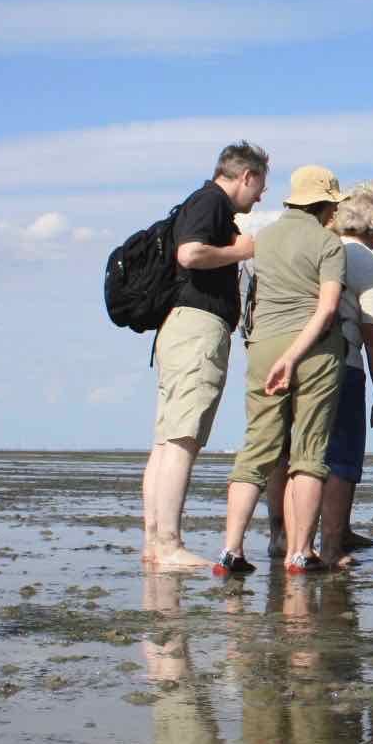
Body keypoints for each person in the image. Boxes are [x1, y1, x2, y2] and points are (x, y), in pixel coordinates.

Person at [214, 165, 348, 576]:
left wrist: (278, 354)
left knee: (257, 449)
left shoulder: (264, 239)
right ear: (324, 205)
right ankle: (300, 552)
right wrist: (295, 355)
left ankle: (231, 550)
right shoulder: (329, 244)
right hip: (314, 350)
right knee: (308, 452)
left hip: (264, 345)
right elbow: (326, 309)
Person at [143, 142, 268, 572]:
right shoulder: (211, 201)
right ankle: (168, 544)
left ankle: (154, 541)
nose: (260, 197)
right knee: (183, 437)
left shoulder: (203, 203)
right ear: (246, 177)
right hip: (197, 327)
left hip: (179, 326)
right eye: (260, 187)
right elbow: (190, 253)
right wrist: (241, 251)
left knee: (166, 439)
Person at [312, 182, 373, 565]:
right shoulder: (369, 262)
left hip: (299, 359)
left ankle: (295, 537)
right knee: (342, 456)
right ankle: (332, 543)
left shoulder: (316, 248)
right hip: (344, 362)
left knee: (305, 454)